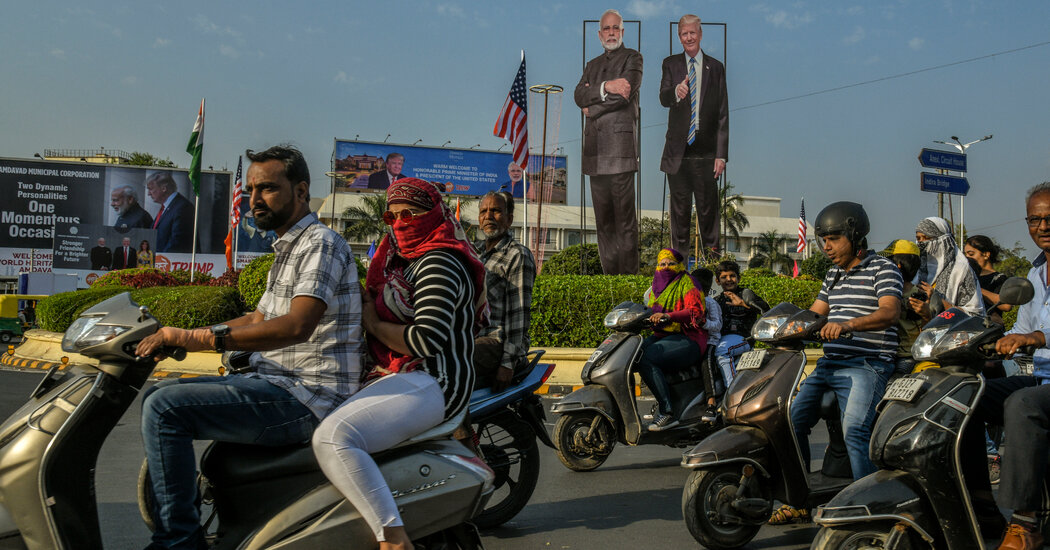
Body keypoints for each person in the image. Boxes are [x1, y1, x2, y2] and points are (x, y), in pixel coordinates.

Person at [135, 145, 362, 550]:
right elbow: (258, 319)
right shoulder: (289, 247)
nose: (254, 199)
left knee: (164, 408)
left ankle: (178, 542)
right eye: (252, 189)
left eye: (268, 188)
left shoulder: (319, 244)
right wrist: (181, 334)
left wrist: (195, 338)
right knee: (158, 396)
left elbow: (297, 326)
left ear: (301, 191)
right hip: (276, 384)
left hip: (306, 396)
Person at [312, 178, 488, 550]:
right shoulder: (399, 260)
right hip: (401, 373)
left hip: (435, 380)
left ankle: (392, 538)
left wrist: (373, 324)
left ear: (433, 215)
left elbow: (426, 339)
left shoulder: (439, 260)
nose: (400, 224)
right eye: (392, 217)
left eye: (410, 214)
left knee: (334, 437)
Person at [957, 182, 1050, 545]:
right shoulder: (1034, 273)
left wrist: (1035, 338)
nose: (1042, 226)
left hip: (1040, 387)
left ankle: (1025, 523)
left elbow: (1032, 336)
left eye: (1049, 218)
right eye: (1034, 219)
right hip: (1040, 377)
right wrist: (986, 342)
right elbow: (1021, 330)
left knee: (1022, 404)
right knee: (966, 396)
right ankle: (983, 508)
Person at [790, 202, 901, 482]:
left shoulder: (883, 268)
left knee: (854, 430)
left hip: (866, 364)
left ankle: (870, 498)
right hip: (829, 365)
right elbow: (815, 315)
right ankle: (800, 493)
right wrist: (785, 326)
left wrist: (847, 325)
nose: (827, 247)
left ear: (855, 236)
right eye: (823, 240)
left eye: (833, 239)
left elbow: (890, 312)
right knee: (791, 422)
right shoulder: (832, 274)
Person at [574, 8, 642, 275]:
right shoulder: (591, 65)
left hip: (620, 152)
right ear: (599, 34)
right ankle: (609, 280)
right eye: (606, 28)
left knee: (625, 222)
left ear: (622, 31)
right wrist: (607, 86)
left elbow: (625, 95)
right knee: (603, 224)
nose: (611, 33)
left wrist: (593, 106)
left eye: (616, 28)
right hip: (594, 153)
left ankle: (628, 280)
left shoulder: (633, 58)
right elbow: (578, 95)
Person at [660, 13, 728, 257]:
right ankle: (679, 267)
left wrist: (721, 155)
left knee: (708, 212)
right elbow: (663, 97)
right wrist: (675, 92)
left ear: (700, 34)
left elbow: (723, 113)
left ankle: (713, 266)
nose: (688, 37)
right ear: (679, 37)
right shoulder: (670, 64)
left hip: (706, 151)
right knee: (679, 214)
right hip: (678, 151)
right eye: (684, 34)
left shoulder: (716, 68)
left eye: (692, 33)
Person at [636, 248, 707, 431]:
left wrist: (669, 316)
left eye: (671, 264)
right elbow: (650, 310)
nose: (666, 267)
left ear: (680, 265)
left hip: (688, 337)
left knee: (647, 358)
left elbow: (695, 311)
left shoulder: (687, 282)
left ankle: (667, 412)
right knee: (633, 354)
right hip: (662, 335)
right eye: (662, 264)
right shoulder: (656, 286)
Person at [474, 191, 536, 391]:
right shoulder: (474, 253)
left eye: (496, 211)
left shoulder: (517, 254)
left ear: (509, 220)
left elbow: (519, 314)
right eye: (483, 211)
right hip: (473, 339)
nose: (488, 216)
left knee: (453, 361)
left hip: (496, 342)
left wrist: (507, 363)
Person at [909, 216, 984, 317]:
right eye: (918, 238)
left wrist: (937, 300)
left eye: (927, 238)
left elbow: (975, 314)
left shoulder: (961, 270)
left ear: (943, 239)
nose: (922, 242)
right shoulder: (915, 269)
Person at [713, 260, 769, 388]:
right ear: (717, 281)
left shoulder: (746, 294)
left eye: (732, 276)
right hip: (722, 340)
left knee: (722, 350)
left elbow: (766, 310)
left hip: (744, 339)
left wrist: (744, 304)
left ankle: (732, 390)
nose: (729, 279)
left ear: (739, 278)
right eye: (724, 277)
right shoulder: (717, 300)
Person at [883, 239, 923, 375]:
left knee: (895, 380)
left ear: (898, 266)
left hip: (905, 355)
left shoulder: (918, 296)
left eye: (887, 262)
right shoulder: (919, 292)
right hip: (891, 353)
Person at [692, 266, 722, 420]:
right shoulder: (688, 302)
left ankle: (711, 402)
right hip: (694, 340)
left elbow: (717, 325)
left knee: (706, 362)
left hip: (710, 340)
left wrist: (703, 323)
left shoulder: (710, 303)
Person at [965, 234, 1011, 326]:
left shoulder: (998, 278)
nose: (967, 258)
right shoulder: (967, 277)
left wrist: (976, 288)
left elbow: (1006, 305)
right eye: (965, 254)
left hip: (989, 327)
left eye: (971, 254)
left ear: (986, 255)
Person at [147, 171, 196, 253]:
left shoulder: (182, 207)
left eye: (151, 189)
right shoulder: (167, 207)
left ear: (164, 189)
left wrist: (160, 258)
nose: (149, 194)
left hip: (173, 259)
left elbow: (177, 242)